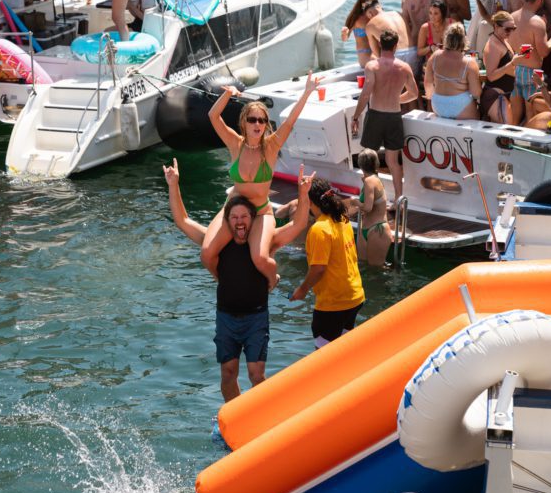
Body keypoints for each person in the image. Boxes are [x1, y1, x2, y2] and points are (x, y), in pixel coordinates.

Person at [163, 158, 314, 401]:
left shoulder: (267, 242)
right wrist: (174, 185)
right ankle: (234, 415)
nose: (240, 222)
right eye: (234, 217)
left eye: (245, 217)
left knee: (256, 374)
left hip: (256, 316)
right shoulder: (215, 244)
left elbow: (298, 224)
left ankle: (263, 414)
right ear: (228, 221)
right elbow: (183, 221)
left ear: (252, 220)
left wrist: (303, 193)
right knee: (228, 373)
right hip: (226, 317)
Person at [201, 73, 321, 290]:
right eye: (252, 119)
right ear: (244, 122)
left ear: (266, 125)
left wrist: (307, 91)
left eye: (262, 120)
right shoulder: (235, 144)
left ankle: (272, 279)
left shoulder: (271, 146)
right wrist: (227, 94)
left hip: (260, 212)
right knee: (207, 254)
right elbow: (213, 116)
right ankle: (224, 282)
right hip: (233, 208)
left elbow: (291, 120)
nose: (258, 124)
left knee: (261, 259)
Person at [290, 178, 365, 349]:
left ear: (309, 202)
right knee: (343, 352)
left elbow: (318, 269)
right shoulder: (342, 219)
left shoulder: (319, 229)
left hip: (334, 304)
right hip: (354, 297)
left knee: (322, 357)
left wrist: (302, 290)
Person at [351, 29, 419, 203]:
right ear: (396, 46)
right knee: (393, 162)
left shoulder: (372, 66)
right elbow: (414, 94)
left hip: (375, 116)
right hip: (394, 117)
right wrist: (397, 98)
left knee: (368, 160)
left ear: (380, 44)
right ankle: (398, 201)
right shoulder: (404, 68)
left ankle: (371, 200)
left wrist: (356, 116)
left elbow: (366, 94)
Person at [510, 0, 551, 123]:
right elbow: (544, 52)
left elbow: (523, 47)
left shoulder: (511, 17)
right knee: (531, 113)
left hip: (515, 70)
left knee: (515, 115)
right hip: (533, 73)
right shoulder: (537, 22)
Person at [424, 23, 481, 120]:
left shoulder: (435, 56)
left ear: (446, 38)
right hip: (461, 105)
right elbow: (476, 93)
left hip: (438, 104)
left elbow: (428, 84)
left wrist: (431, 97)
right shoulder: (469, 62)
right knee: (478, 117)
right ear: (464, 40)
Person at [479, 10, 527, 123]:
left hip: (506, 94)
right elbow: (491, 76)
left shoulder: (503, 41)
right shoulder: (492, 45)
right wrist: (512, 63)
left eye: (513, 29)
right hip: (495, 96)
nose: (510, 32)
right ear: (496, 26)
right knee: (505, 132)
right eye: (507, 29)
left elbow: (507, 66)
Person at [349, 148, 393, 267]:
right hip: (367, 230)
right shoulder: (371, 180)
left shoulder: (370, 181)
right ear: (376, 163)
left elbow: (367, 208)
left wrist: (355, 202)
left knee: (376, 269)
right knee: (364, 265)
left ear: (360, 164)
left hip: (377, 229)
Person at [363, 0, 418, 74]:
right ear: (379, 7)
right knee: (412, 83)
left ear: (370, 14)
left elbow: (377, 53)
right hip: (413, 52)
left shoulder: (370, 25)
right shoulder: (398, 14)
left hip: (396, 55)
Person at [341, 0, 375, 67]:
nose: (367, 8)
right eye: (365, 6)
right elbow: (345, 39)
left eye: (369, 6)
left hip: (378, 54)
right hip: (364, 55)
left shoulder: (377, 16)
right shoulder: (355, 18)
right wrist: (344, 33)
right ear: (361, 5)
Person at [416, 0, 452, 64]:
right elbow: (419, 52)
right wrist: (430, 47)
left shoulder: (452, 24)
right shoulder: (425, 28)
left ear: (443, 14)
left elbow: (462, 45)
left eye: (436, 13)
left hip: (451, 61)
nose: (432, 16)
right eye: (430, 13)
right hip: (432, 63)